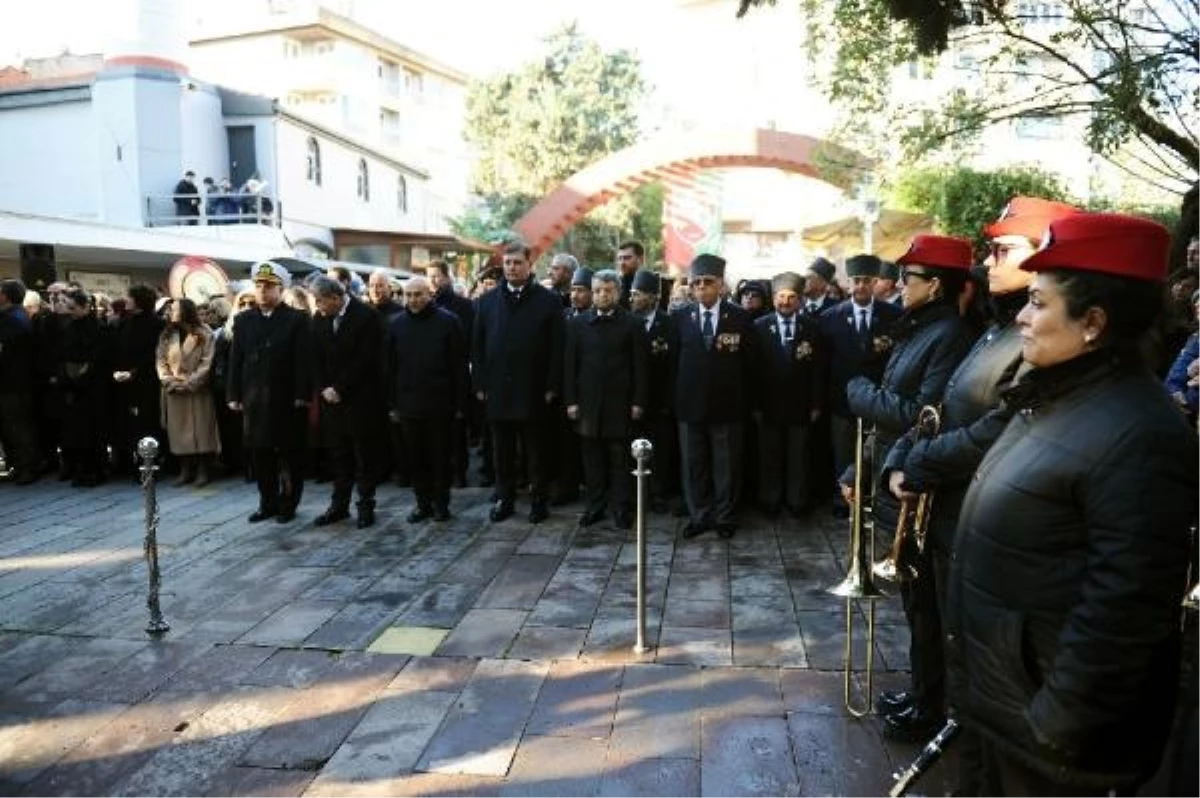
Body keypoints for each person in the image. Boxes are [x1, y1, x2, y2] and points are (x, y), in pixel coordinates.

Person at [944, 213, 1200, 796]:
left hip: (1052, 748)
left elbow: (1126, 605)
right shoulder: (1055, 396)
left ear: (1093, 323)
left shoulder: (1140, 432)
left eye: (1037, 303)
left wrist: (1055, 724)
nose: (1022, 318)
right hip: (1006, 712)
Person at [879, 196, 1082, 784]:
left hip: (980, 504)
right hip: (950, 505)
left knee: (973, 646)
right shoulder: (998, 328)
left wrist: (922, 462)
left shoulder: (1041, 338)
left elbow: (1003, 424)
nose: (988, 261)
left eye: (1003, 250)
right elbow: (939, 408)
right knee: (943, 625)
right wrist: (905, 457)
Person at [843, 236, 978, 743]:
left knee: (925, 602)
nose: (898, 286)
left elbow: (921, 416)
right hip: (892, 473)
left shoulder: (949, 334)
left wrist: (861, 396)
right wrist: (855, 470)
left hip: (917, 485)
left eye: (909, 279)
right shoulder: (920, 328)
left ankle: (931, 702)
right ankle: (924, 691)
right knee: (914, 602)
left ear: (935, 285)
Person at [472, 240, 565, 524]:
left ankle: (539, 499)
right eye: (507, 263)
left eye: (517, 263)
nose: (511, 268)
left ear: (529, 265)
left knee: (536, 450)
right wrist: (479, 384)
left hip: (533, 389)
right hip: (498, 389)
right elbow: (477, 347)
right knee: (502, 450)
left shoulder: (548, 301)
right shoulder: (486, 302)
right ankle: (505, 498)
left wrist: (552, 385)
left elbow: (557, 348)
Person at [672, 253, 757, 539]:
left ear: (721, 285)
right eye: (696, 283)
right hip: (689, 405)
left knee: (726, 466)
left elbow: (750, 365)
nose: (701, 288)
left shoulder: (741, 318)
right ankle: (699, 515)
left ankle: (724, 517)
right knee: (693, 464)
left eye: (708, 282)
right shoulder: (680, 317)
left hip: (728, 405)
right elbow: (672, 363)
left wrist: (748, 403)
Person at [227, 261, 313, 524]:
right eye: (259, 286)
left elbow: (302, 360)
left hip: (286, 399)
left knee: (288, 455)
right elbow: (236, 359)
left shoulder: (297, 319)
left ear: (281, 289)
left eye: (269, 286)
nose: (262, 291)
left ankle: (288, 503)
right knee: (260, 455)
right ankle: (268, 503)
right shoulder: (244, 319)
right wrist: (234, 394)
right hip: (255, 401)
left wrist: (302, 393)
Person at [819, 254, 903, 518]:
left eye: (867, 280)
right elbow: (823, 363)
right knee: (842, 450)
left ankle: (874, 497)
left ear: (876, 281)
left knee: (876, 448)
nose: (861, 286)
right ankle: (843, 500)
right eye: (856, 281)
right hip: (842, 399)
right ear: (848, 282)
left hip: (879, 399)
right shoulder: (830, 316)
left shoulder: (894, 315)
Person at [563, 269, 648, 529]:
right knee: (592, 461)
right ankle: (594, 506)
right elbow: (570, 366)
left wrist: (638, 402)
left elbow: (641, 367)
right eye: (598, 290)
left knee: (620, 461)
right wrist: (571, 401)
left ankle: (621, 508)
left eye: (608, 290)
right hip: (587, 405)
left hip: (619, 404)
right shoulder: (577, 324)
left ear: (618, 292)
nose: (602, 295)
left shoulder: (632, 323)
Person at [385, 276, 468, 522]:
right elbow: (389, 367)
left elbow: (459, 366)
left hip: (440, 404)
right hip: (408, 404)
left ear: (429, 294)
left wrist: (460, 404)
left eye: (418, 294)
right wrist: (392, 404)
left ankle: (441, 503)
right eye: (408, 295)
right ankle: (422, 503)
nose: (413, 300)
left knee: (440, 458)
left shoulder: (449, 322)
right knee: (416, 458)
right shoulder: (396, 324)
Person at [310, 276, 384, 529]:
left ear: (335, 297)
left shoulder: (367, 316)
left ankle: (365, 506)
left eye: (320, 301)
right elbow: (316, 359)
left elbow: (367, 359)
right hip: (332, 401)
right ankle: (338, 506)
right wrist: (324, 388)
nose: (317, 306)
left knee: (364, 456)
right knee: (338, 456)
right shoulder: (319, 318)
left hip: (360, 398)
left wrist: (339, 387)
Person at [752, 271, 823, 518]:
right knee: (770, 455)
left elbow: (817, 369)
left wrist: (815, 403)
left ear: (800, 300)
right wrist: (756, 405)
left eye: (791, 297)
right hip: (768, 404)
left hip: (800, 404)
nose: (785, 302)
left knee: (798, 455)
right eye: (781, 296)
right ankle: (770, 500)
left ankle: (797, 501)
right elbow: (754, 370)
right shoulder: (759, 327)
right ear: (773, 299)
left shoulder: (812, 328)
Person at [629, 269, 681, 513]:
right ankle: (637, 493)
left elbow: (674, 367)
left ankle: (658, 493)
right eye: (631, 294)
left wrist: (669, 402)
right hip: (632, 402)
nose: (632, 299)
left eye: (637, 294)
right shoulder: (627, 322)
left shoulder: (670, 325)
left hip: (660, 402)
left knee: (660, 451)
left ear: (652, 297)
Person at [156, 297, 220, 487]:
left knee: (199, 430)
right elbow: (160, 361)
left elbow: (207, 363)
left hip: (196, 391)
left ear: (185, 311)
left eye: (174, 309)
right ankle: (185, 470)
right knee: (178, 432)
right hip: (174, 390)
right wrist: (168, 381)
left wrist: (191, 383)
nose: (170, 312)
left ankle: (203, 470)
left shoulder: (204, 333)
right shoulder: (167, 335)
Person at [53, 288, 111, 486]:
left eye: (73, 308)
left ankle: (96, 471)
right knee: (76, 432)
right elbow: (61, 355)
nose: (70, 312)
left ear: (86, 307)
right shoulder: (70, 327)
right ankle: (81, 470)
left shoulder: (98, 328)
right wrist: (67, 378)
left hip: (93, 388)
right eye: (69, 308)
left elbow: (98, 358)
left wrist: (81, 377)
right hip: (74, 389)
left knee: (94, 432)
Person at [112, 285, 164, 477]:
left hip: (146, 384)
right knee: (127, 425)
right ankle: (128, 463)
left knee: (147, 424)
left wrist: (134, 372)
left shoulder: (157, 324)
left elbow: (155, 354)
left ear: (139, 300)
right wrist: (116, 371)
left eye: (129, 297)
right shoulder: (124, 322)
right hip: (123, 383)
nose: (125, 300)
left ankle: (150, 464)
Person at [0, 279, 38, 484]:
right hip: (9, 383)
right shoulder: (10, 317)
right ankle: (17, 465)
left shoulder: (14, 320)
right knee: (10, 427)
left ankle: (27, 467)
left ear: (5, 296)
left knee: (18, 427)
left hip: (15, 384)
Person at [616, 240, 645, 309]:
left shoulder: (655, 284)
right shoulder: (615, 284)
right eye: (620, 258)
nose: (622, 263)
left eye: (627, 258)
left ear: (641, 259)